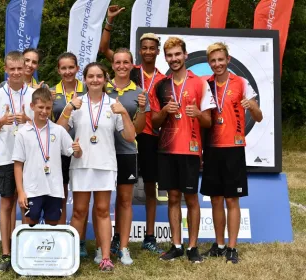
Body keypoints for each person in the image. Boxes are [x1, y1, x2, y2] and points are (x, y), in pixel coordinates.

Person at [57, 62, 135, 272]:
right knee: (80, 211)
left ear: (105, 78)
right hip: (81, 165)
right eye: (90, 76)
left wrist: (125, 113)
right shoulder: (76, 103)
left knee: (102, 210)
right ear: (85, 79)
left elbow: (130, 136)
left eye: (99, 76)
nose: (94, 80)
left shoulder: (113, 104)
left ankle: (106, 257)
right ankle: (69, 255)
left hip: (105, 165)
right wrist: (68, 108)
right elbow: (58, 131)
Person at [99, 5, 165, 253]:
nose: (148, 51)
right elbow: (105, 49)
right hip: (122, 138)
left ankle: (149, 236)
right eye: (144, 48)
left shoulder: (163, 78)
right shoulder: (131, 70)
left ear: (157, 51)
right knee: (119, 189)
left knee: (150, 187)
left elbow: (159, 113)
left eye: (152, 48)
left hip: (148, 136)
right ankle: (117, 237)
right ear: (139, 52)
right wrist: (109, 21)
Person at [150, 37, 216, 263]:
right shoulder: (161, 85)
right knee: (172, 197)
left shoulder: (200, 83)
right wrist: (165, 111)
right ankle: (176, 245)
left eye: (177, 54)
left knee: (191, 198)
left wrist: (198, 114)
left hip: (190, 148)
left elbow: (208, 121)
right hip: (167, 149)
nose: (174, 59)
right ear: (165, 58)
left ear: (185, 55)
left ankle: (193, 247)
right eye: (169, 56)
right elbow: (155, 123)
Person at [200, 42, 263, 264]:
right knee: (215, 199)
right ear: (209, 63)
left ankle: (232, 248)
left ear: (228, 60)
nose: (217, 64)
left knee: (231, 199)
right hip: (211, 149)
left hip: (234, 148)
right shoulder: (205, 84)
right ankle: (218, 245)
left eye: (220, 59)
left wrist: (252, 107)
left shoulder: (241, 82)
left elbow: (259, 116)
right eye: (213, 60)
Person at [0, 51, 35, 273]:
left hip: (30, 159)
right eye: (11, 69)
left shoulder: (33, 94)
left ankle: (25, 252)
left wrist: (28, 120)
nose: (15, 73)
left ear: (26, 69)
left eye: (19, 68)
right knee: (6, 205)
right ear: (6, 69)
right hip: (6, 159)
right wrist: (1, 121)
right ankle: (6, 254)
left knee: (26, 207)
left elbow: (45, 126)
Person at [101, 48, 148, 265]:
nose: (121, 66)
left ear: (131, 65)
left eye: (125, 62)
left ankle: (124, 248)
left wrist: (142, 108)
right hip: (101, 151)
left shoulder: (139, 92)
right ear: (112, 65)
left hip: (127, 152)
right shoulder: (102, 88)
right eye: (117, 62)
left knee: (125, 200)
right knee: (101, 202)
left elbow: (138, 129)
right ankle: (105, 245)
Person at [13, 88, 82, 226]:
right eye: (40, 107)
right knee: (30, 222)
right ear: (32, 106)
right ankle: (31, 248)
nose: (44, 111)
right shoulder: (23, 133)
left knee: (53, 223)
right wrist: (21, 192)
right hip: (32, 189)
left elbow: (74, 153)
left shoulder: (58, 130)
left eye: (48, 108)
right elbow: (18, 164)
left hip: (54, 189)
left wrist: (78, 150)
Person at [50, 52, 88, 255]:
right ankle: (63, 237)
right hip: (60, 151)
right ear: (58, 70)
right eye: (63, 68)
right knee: (62, 196)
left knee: (83, 197)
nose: (67, 72)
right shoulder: (52, 93)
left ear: (77, 68)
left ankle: (80, 240)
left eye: (71, 67)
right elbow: (51, 126)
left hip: (85, 150)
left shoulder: (88, 88)